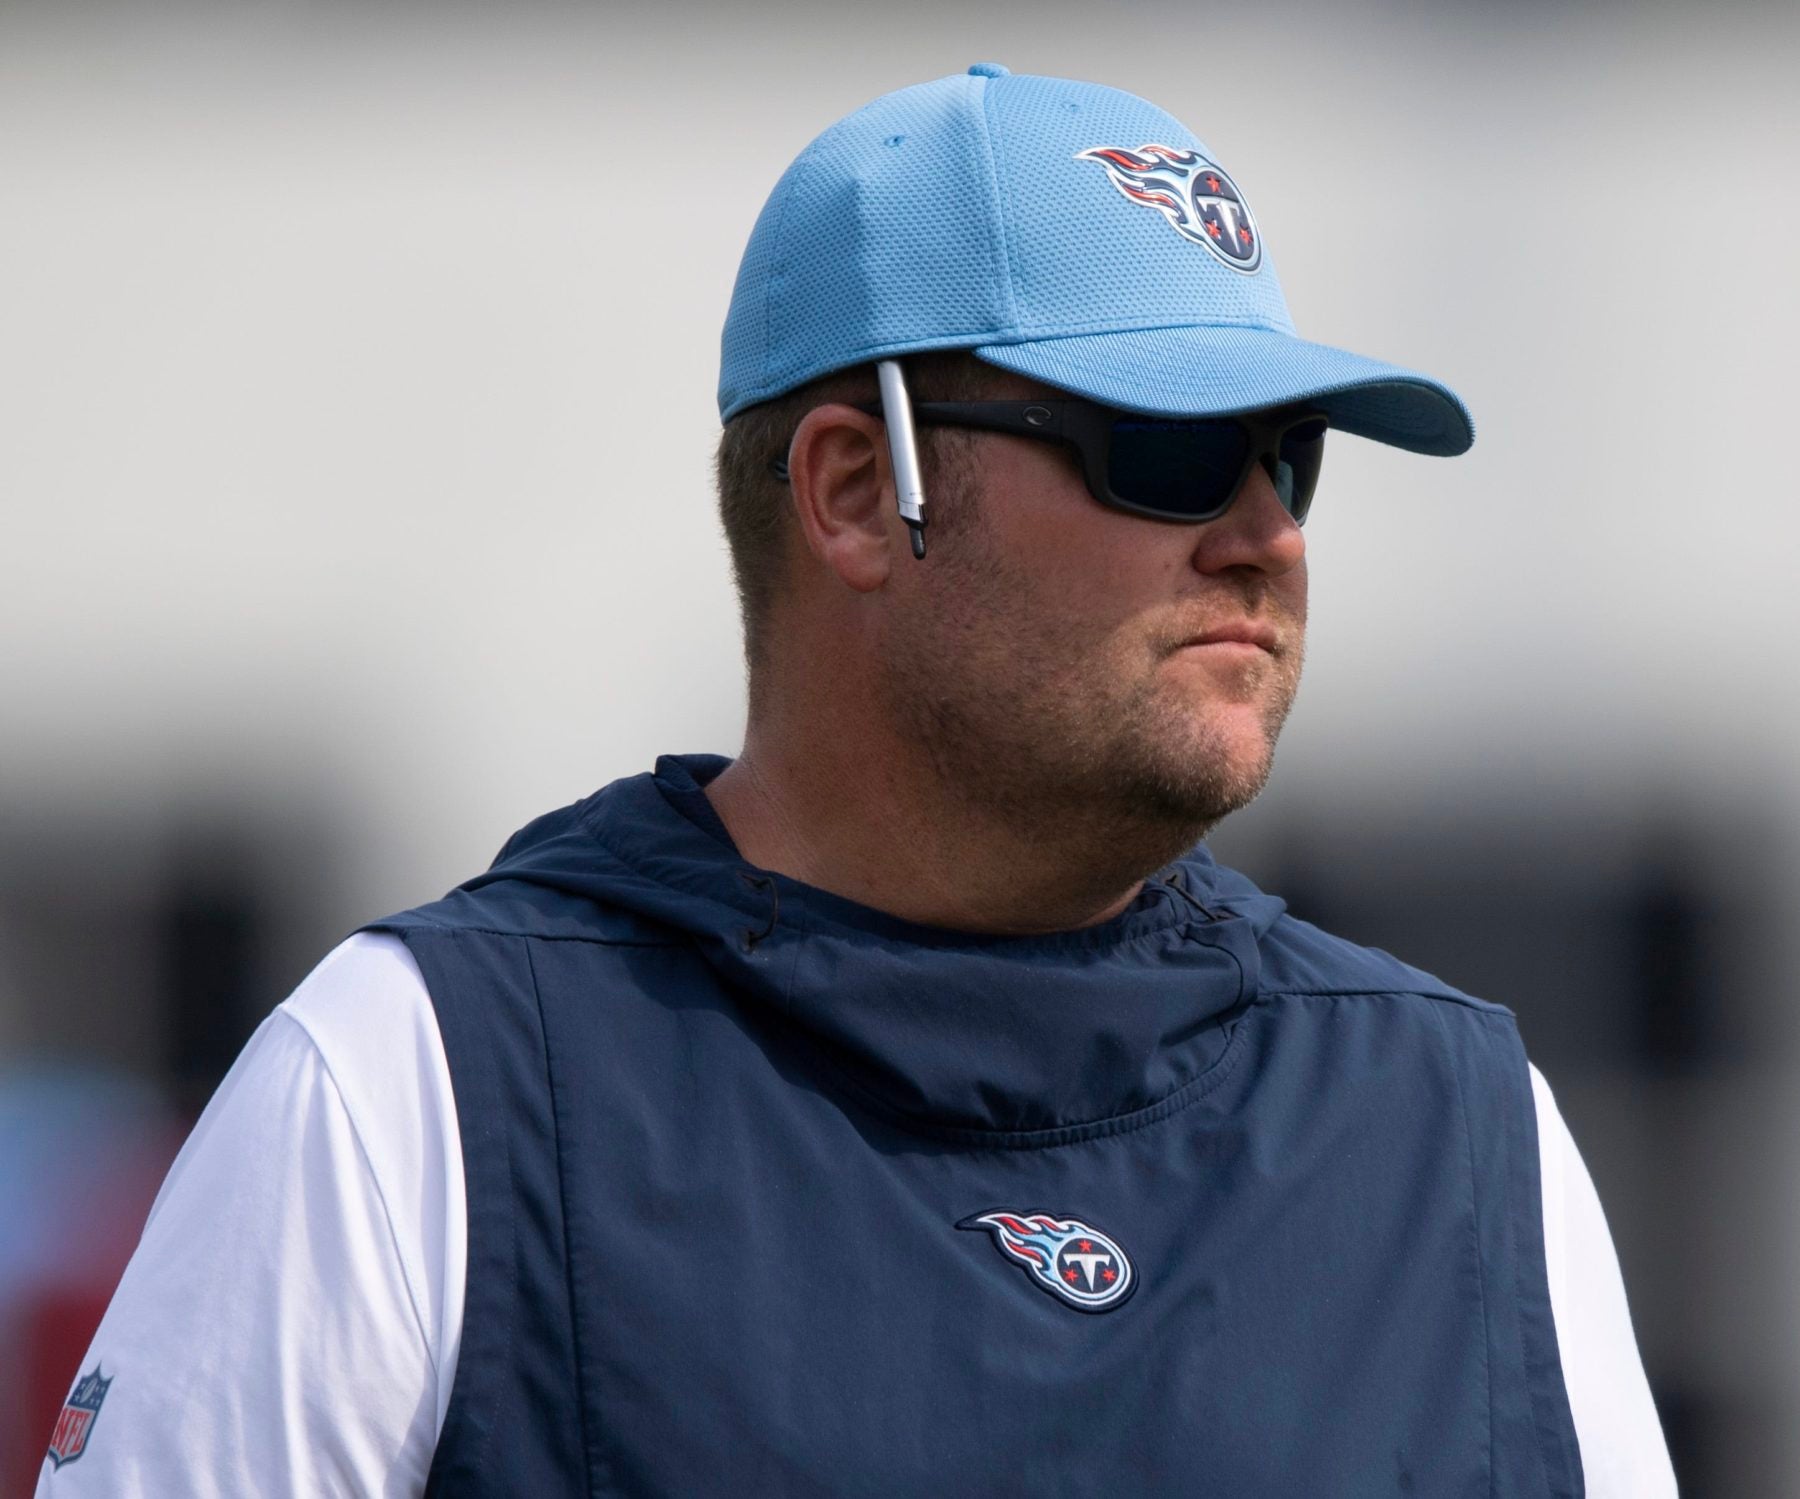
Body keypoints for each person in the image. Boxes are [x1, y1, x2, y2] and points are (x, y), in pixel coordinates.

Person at [36, 65, 1675, 1496]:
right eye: (1168, 451)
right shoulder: (417, 1086)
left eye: (1288, 460)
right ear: (849, 489)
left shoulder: (1456, 1126)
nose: (1267, 539)